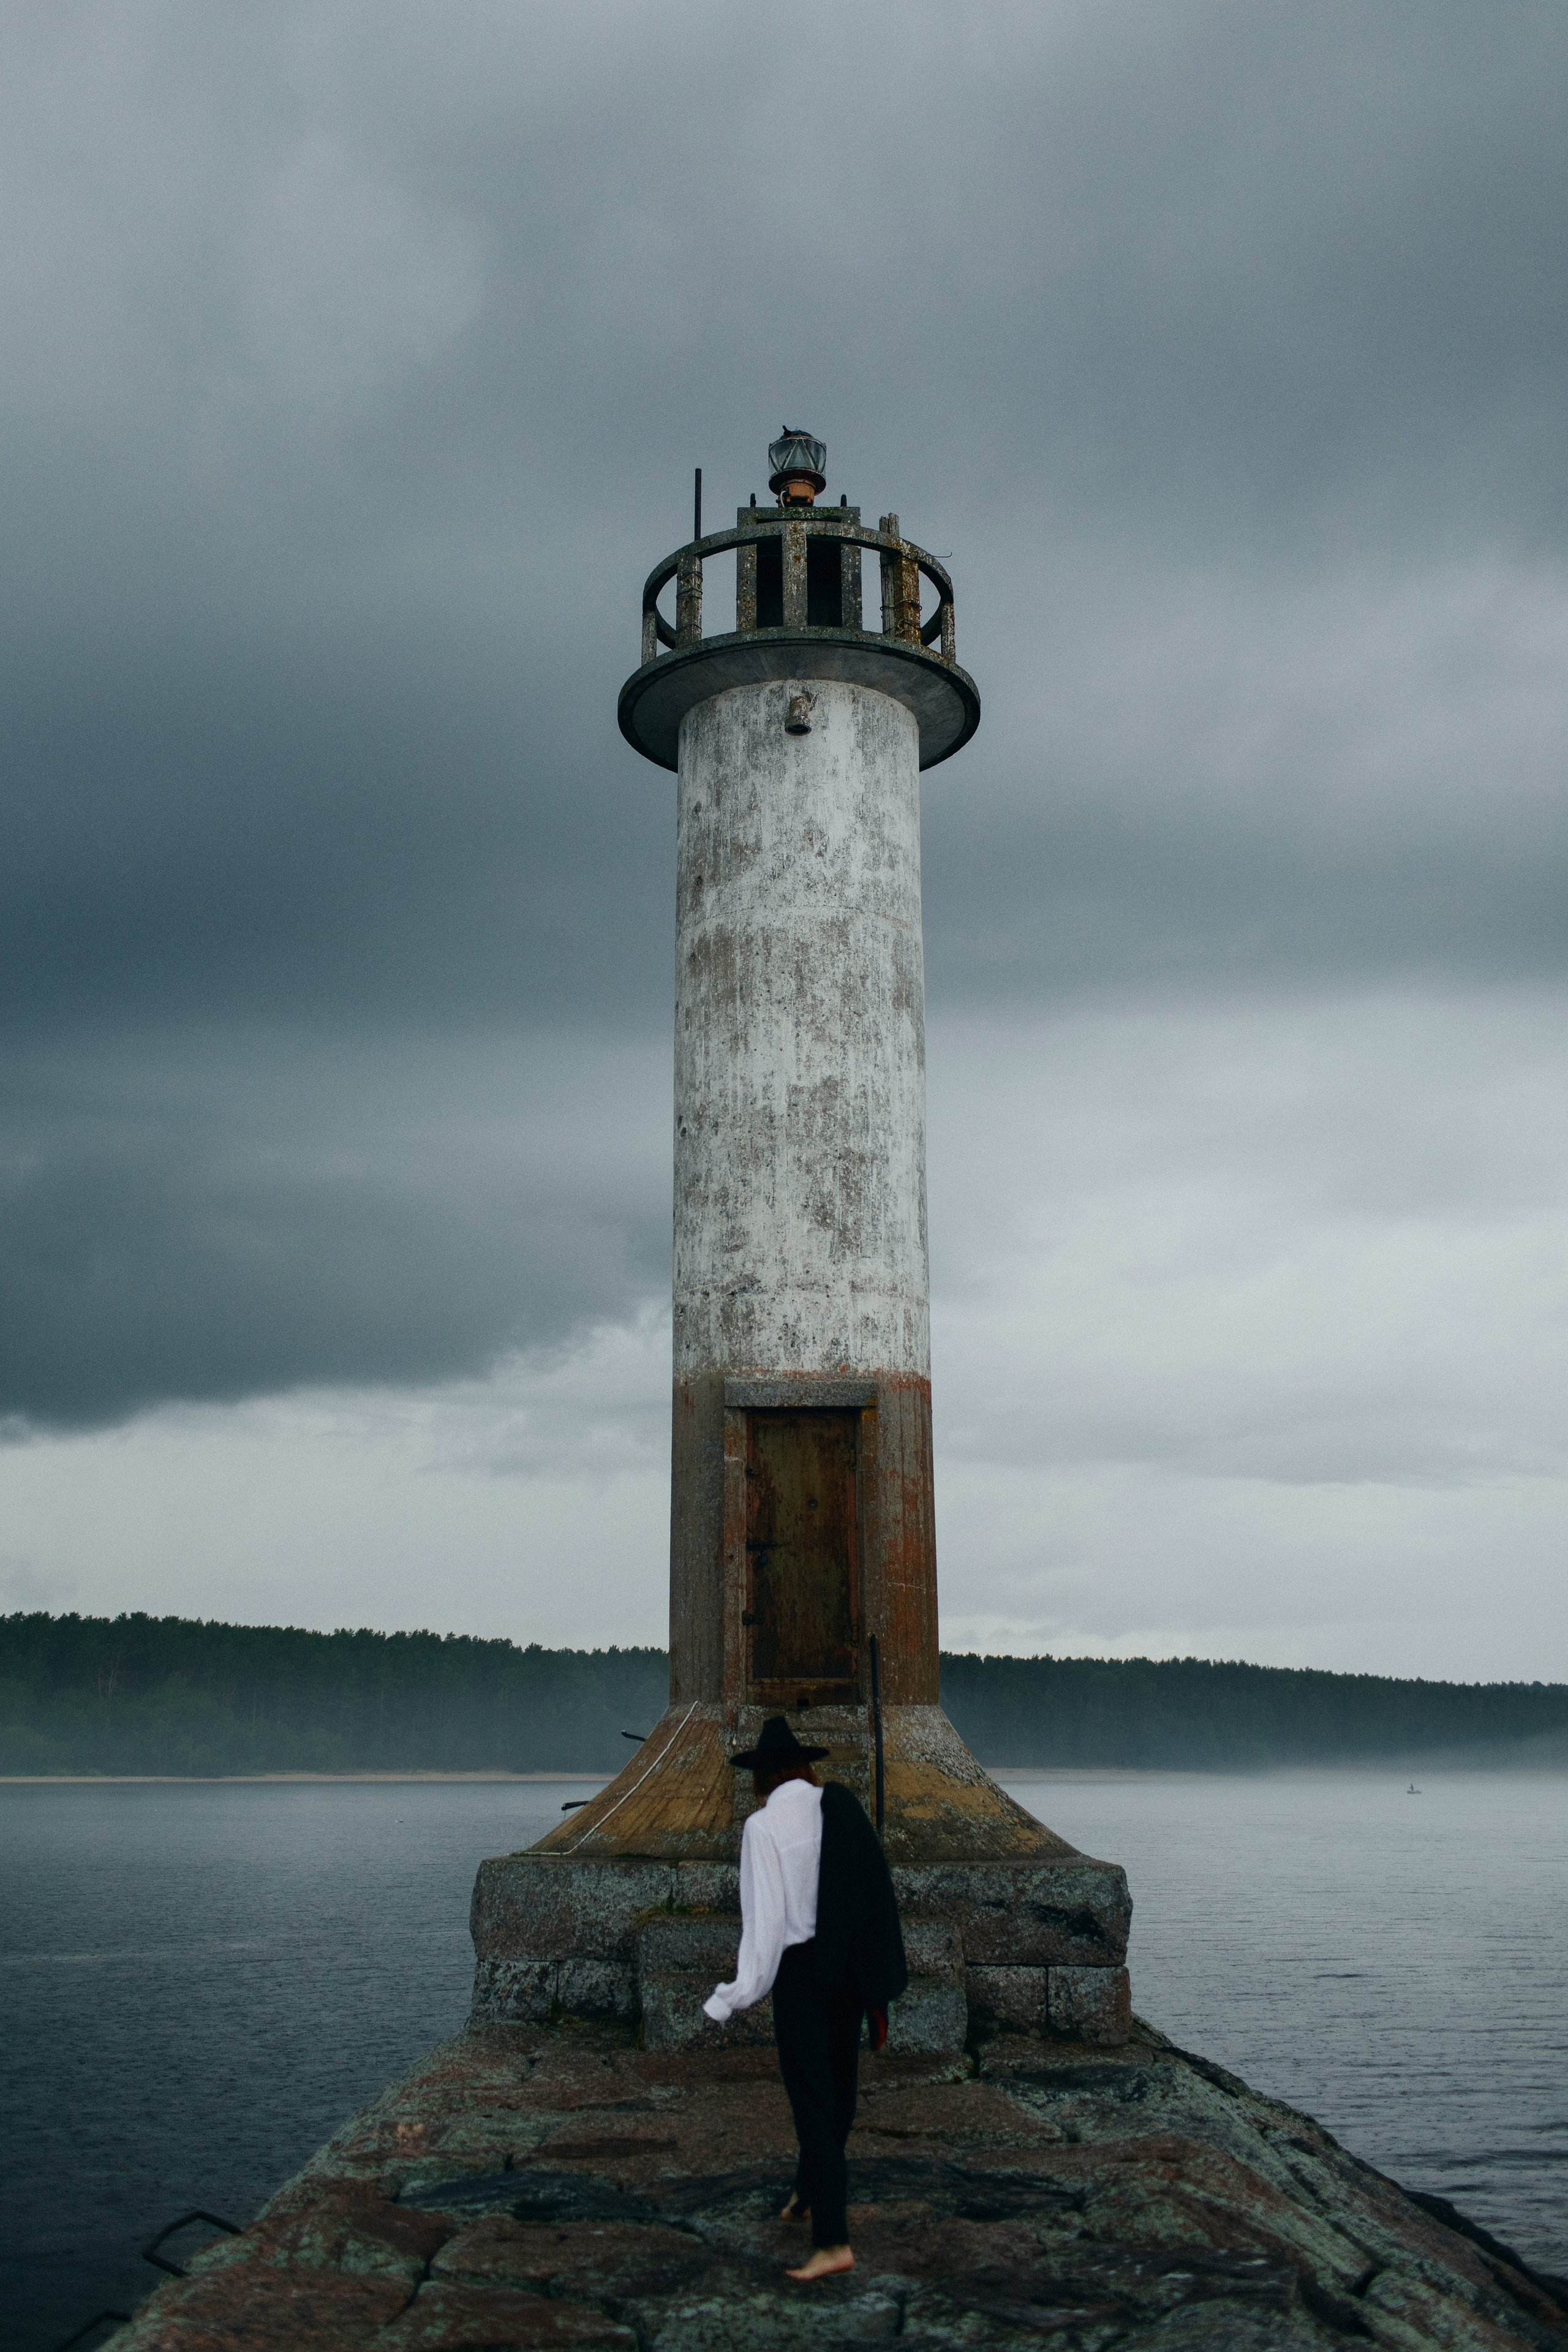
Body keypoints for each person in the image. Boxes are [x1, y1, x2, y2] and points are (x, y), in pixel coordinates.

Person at [703, 1715, 908, 2283]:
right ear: (804, 1767)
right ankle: (808, 2191)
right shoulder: (834, 1809)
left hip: (799, 1976)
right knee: (839, 2093)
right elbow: (867, 1893)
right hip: (843, 1970)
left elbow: (765, 1928)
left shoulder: (763, 1829)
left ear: (762, 1778)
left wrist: (732, 1997)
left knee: (813, 2102)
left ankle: (833, 2241)